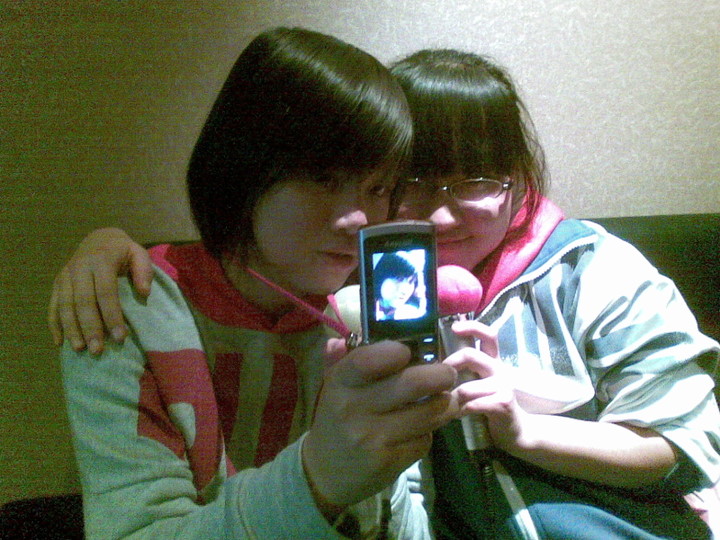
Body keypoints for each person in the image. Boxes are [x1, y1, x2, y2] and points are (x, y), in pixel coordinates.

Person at [50, 48, 720, 538]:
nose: (441, 214)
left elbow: (687, 444)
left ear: (516, 179)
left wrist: (524, 431)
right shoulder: (352, 292)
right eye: (410, 181)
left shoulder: (589, 270)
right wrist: (103, 244)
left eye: (474, 180)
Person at [54, 27, 464, 539]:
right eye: (322, 178)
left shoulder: (350, 321)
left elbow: (404, 524)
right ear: (244, 167)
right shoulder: (128, 307)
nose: (359, 217)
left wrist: (383, 469)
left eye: (377, 188)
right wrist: (316, 480)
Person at [373, 252, 425, 321]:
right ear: (382, 277)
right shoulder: (366, 306)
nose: (405, 290)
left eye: (411, 282)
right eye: (399, 279)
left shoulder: (412, 313)